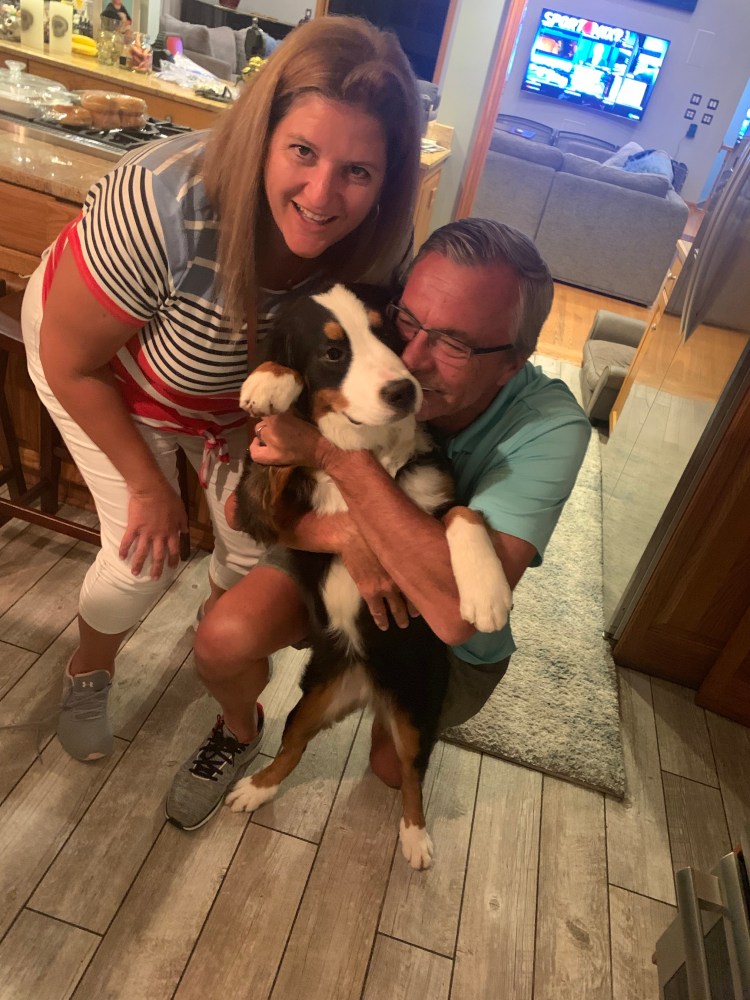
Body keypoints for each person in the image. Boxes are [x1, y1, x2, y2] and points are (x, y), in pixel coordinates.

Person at [20, 16, 423, 764]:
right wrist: (149, 486)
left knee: (248, 547)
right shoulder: (162, 200)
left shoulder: (381, 244)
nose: (323, 194)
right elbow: (71, 361)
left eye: (358, 172)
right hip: (101, 369)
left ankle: (218, 664)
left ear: (387, 180)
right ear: (263, 133)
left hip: (236, 397)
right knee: (143, 558)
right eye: (302, 150)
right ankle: (87, 671)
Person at [165, 218, 592, 830]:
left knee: (391, 767)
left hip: (440, 630)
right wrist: (347, 536)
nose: (407, 360)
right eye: (408, 321)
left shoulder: (551, 430)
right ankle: (238, 730)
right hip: (333, 545)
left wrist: (330, 455)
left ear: (510, 363)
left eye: (455, 344)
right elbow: (243, 513)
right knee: (222, 638)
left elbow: (456, 615)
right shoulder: (372, 345)